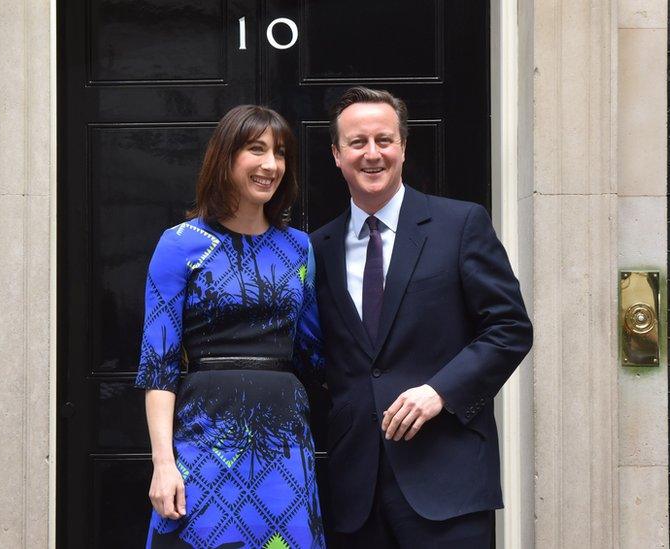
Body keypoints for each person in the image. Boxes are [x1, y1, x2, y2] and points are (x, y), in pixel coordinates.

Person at [310, 87, 533, 547]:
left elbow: (509, 329)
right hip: (355, 494)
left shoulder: (461, 224)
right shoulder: (316, 249)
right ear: (336, 154)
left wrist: (439, 391)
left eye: (384, 140)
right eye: (357, 143)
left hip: (447, 485)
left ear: (404, 147)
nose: (373, 154)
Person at [135, 105, 325, 548]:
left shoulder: (299, 248)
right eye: (255, 150)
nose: (270, 165)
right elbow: (157, 363)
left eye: (279, 153)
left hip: (285, 440)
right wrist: (164, 463)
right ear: (226, 157)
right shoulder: (180, 244)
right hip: (204, 436)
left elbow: (314, 353)